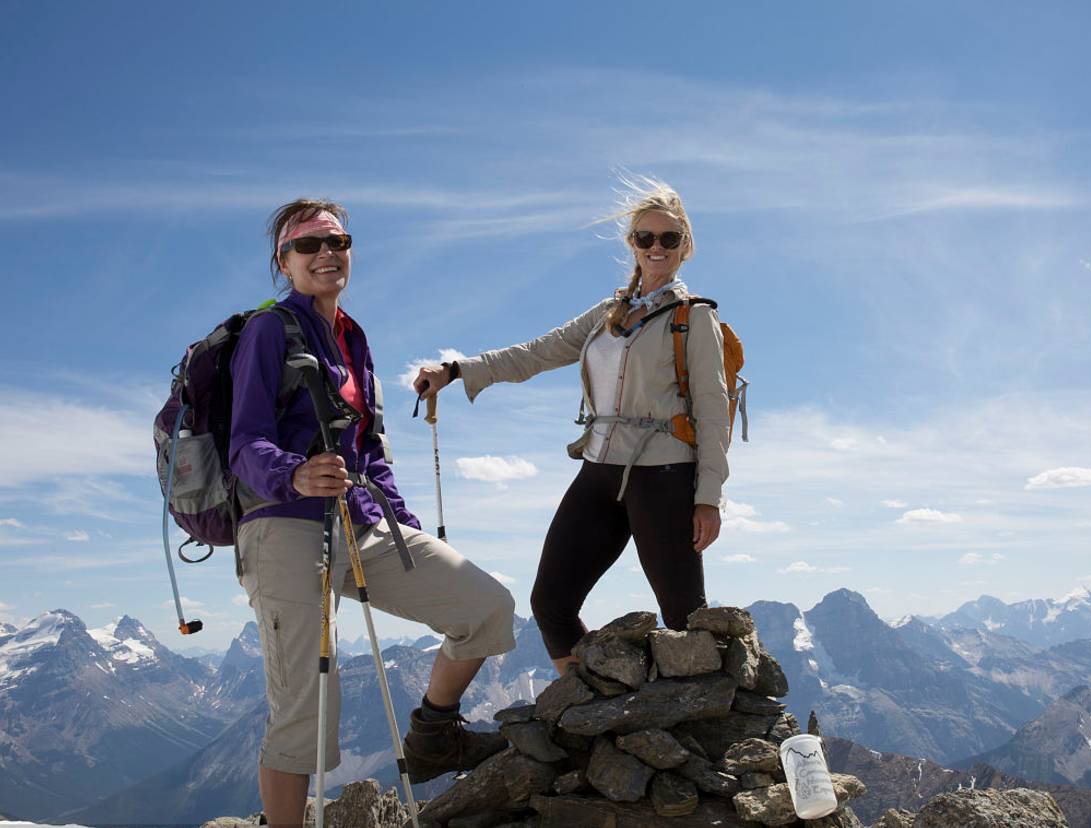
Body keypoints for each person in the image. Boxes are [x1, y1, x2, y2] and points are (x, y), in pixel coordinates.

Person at [230, 199, 516, 826]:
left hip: (362, 520)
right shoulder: (268, 330)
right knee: (302, 712)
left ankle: (433, 734)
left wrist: (403, 525)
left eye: (338, 241)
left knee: (486, 607)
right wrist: (296, 473)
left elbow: (370, 448)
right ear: (285, 261)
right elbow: (244, 443)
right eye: (308, 246)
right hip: (284, 525)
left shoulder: (354, 337)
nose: (327, 254)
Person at [413, 178, 729, 677]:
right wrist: (457, 370)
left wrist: (708, 496)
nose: (656, 248)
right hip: (599, 469)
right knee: (551, 603)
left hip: (664, 475)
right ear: (632, 244)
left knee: (685, 618)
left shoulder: (694, 319)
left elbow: (714, 411)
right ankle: (593, 706)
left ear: (685, 247)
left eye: (669, 239)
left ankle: (714, 730)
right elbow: (540, 351)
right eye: (645, 238)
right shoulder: (609, 313)